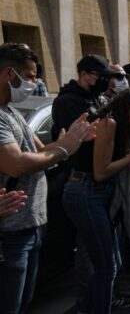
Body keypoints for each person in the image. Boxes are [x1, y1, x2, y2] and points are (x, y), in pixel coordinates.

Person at [0, 43, 93, 314]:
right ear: (9, 74)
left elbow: (40, 152)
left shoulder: (12, 113)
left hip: (31, 225)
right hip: (10, 233)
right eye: (29, 77)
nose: (34, 83)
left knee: (23, 303)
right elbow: (16, 164)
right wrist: (64, 149)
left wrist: (68, 141)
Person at [62, 87, 130, 314]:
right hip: (87, 191)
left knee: (104, 262)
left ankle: (86, 307)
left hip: (98, 193)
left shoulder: (122, 125)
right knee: (106, 267)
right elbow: (101, 172)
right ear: (128, 103)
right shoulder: (108, 123)